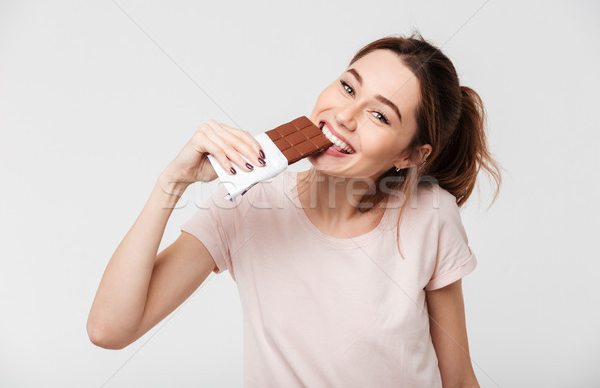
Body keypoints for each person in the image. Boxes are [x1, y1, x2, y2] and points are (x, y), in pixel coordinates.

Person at [87, 31, 502, 388]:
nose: (345, 116)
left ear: (411, 156)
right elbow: (109, 330)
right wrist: (172, 182)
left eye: (379, 115)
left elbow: (460, 380)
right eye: (347, 87)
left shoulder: (431, 215)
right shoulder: (248, 204)